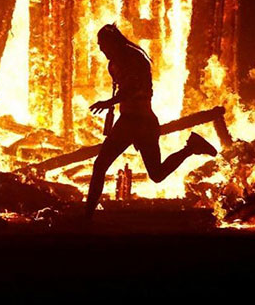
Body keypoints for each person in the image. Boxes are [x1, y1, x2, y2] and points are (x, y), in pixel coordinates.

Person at [85, 24, 218, 219]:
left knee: (154, 174)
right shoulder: (117, 61)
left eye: (103, 44)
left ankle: (191, 148)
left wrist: (109, 102)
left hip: (140, 121)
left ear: (113, 42)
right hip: (130, 121)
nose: (101, 49)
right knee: (104, 166)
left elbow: (135, 88)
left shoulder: (132, 57)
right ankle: (88, 216)